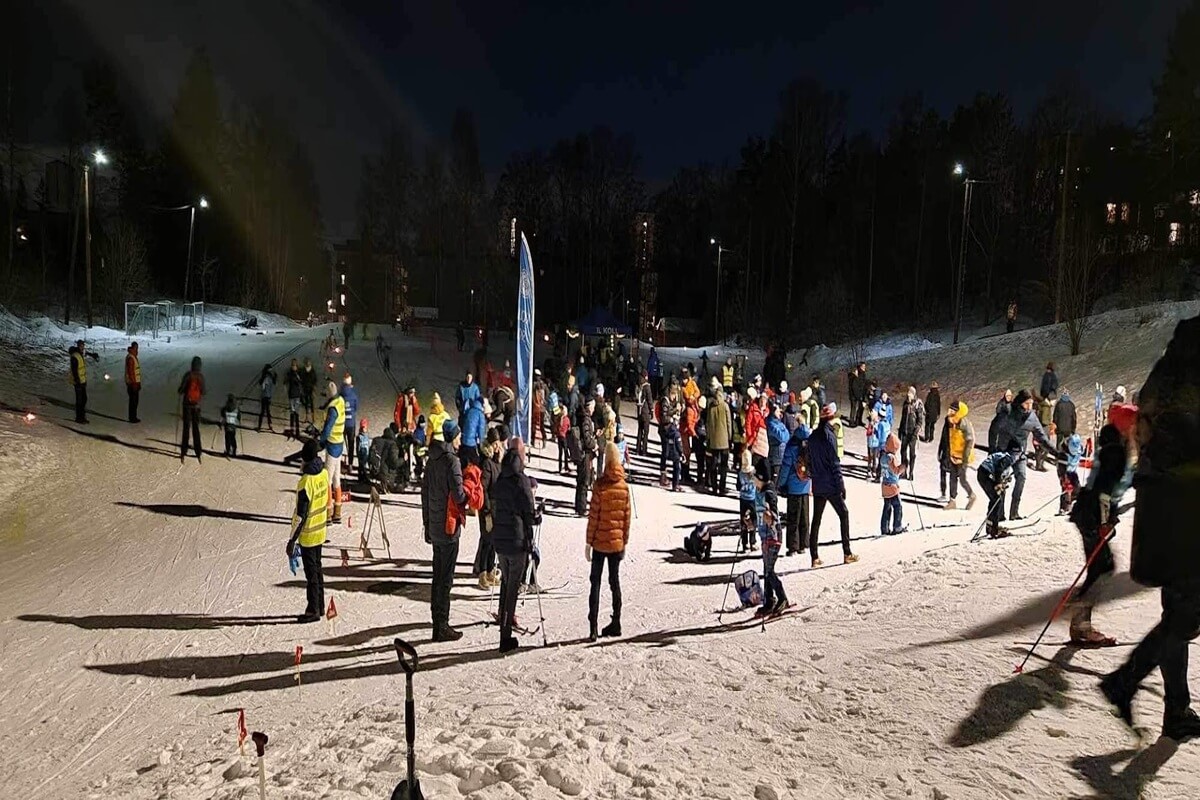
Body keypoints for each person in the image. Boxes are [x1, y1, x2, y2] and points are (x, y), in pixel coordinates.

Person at [1100, 315, 1200, 741]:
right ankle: (1126, 680)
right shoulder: (1191, 384)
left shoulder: (1163, 376)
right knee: (1187, 613)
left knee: (1179, 610)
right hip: (1187, 512)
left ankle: (1175, 710)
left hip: (1164, 512)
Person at [1065, 417, 1134, 645]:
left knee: (1098, 568)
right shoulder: (1116, 454)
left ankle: (1080, 623)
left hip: (1085, 513)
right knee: (1104, 568)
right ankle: (1081, 618)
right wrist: (1105, 522)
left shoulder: (1106, 453)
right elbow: (1105, 491)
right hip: (1093, 516)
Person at [422, 418, 471, 642]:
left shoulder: (432, 460)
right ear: (454, 436)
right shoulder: (452, 461)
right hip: (448, 525)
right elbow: (459, 495)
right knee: (446, 578)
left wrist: (427, 524)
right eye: (459, 435)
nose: (461, 439)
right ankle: (442, 625)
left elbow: (424, 494)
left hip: (435, 524)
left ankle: (437, 623)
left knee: (437, 575)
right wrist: (469, 495)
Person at [491, 438, 537, 652]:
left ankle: (504, 624)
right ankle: (505, 634)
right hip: (517, 541)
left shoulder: (501, 479)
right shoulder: (521, 481)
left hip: (501, 540)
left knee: (506, 583)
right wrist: (536, 518)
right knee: (512, 589)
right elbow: (528, 511)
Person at [586, 442, 631, 641]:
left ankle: (593, 627)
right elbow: (626, 519)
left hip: (599, 543)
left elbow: (593, 517)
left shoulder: (600, 485)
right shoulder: (624, 487)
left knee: (595, 582)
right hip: (616, 543)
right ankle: (617, 621)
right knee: (615, 582)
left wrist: (588, 542)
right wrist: (624, 541)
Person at [286, 439, 330, 623]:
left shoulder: (305, 483)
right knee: (317, 571)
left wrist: (291, 540)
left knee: (311, 573)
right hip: (321, 530)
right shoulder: (324, 474)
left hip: (309, 534)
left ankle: (313, 610)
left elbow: (301, 515)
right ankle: (320, 606)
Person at [809, 404, 858, 567]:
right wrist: (841, 485)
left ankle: (814, 556)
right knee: (844, 514)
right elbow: (835, 464)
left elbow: (809, 460)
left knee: (816, 520)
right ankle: (847, 552)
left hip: (817, 483)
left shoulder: (813, 437)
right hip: (830, 484)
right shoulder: (830, 437)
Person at [994, 389, 1054, 520]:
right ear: (1020, 403)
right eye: (1027, 403)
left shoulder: (1032, 417)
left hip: (1020, 454)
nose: (1029, 407)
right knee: (1002, 481)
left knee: (1021, 478)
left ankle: (1014, 513)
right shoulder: (1009, 412)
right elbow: (996, 428)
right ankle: (1000, 514)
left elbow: (1042, 438)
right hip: (1005, 452)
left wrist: (1055, 452)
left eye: (1031, 404)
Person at [474, 429, 503, 589]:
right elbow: (483, 488)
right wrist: (487, 512)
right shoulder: (486, 462)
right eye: (495, 443)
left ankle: (491, 570)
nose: (498, 446)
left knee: (493, 541)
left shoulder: (497, 460)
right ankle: (482, 573)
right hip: (488, 509)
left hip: (497, 506)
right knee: (486, 540)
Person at [777, 423, 812, 557]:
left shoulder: (791, 447)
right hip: (805, 485)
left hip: (793, 487)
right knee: (804, 517)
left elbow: (785, 468)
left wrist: (781, 484)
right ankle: (803, 544)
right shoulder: (809, 447)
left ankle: (793, 547)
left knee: (793, 518)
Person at [755, 503, 790, 617]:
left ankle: (782, 598)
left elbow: (773, 515)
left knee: (769, 571)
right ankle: (769, 601)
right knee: (766, 572)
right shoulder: (758, 493)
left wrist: (769, 516)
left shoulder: (768, 491)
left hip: (773, 540)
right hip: (765, 541)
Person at [319, 380, 347, 523]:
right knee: (337, 479)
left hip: (332, 445)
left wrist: (320, 442)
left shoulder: (332, 409)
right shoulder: (340, 401)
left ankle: (328, 513)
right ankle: (338, 511)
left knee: (327, 480)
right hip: (340, 443)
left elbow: (327, 428)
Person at [943, 401, 977, 510]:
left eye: (953, 411)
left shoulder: (964, 424)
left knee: (962, 479)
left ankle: (971, 495)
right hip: (954, 455)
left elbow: (969, 442)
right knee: (952, 478)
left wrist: (965, 460)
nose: (950, 412)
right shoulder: (951, 422)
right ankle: (952, 501)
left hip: (963, 457)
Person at [976, 450, 1016, 538]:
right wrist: (998, 483)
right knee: (997, 500)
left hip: (983, 473)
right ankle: (994, 529)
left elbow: (999, 470)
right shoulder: (1009, 457)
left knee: (995, 499)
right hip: (985, 474)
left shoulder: (1003, 455)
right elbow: (999, 469)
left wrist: (1002, 481)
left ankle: (991, 525)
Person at [178, 356, 205, 462]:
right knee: (196, 428)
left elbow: (181, 389)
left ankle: (184, 450)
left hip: (186, 405)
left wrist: (181, 390)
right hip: (196, 406)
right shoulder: (200, 377)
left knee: (186, 428)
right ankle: (198, 451)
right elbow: (203, 391)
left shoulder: (188, 375)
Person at [706, 386, 732, 494]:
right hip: (724, 440)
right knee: (723, 466)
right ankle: (722, 487)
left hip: (713, 441)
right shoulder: (725, 406)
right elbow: (728, 423)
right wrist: (729, 437)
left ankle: (714, 486)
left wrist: (709, 438)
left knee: (713, 464)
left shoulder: (711, 407)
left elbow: (708, 423)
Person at [575, 399, 598, 516]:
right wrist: (594, 444)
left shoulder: (583, 417)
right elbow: (587, 438)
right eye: (593, 406)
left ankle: (579, 506)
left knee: (581, 479)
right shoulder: (586, 419)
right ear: (589, 406)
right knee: (584, 480)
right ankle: (582, 508)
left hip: (582, 453)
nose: (594, 409)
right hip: (585, 453)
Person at [880, 432, 905, 535]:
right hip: (892, 486)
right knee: (898, 506)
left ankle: (884, 528)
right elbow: (895, 470)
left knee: (887, 507)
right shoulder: (891, 458)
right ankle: (897, 526)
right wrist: (903, 468)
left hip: (885, 485)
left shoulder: (883, 457)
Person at [898, 386, 924, 480]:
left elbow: (920, 421)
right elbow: (903, 418)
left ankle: (911, 473)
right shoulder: (905, 404)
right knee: (903, 452)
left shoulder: (917, 405)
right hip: (905, 432)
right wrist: (900, 430)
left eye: (910, 393)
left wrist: (915, 431)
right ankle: (903, 472)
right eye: (908, 393)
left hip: (912, 434)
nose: (909, 395)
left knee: (912, 454)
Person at [1056, 429, 1085, 515]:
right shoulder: (1063, 454)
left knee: (1077, 487)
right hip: (1064, 472)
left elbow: (1083, 453)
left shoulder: (1079, 448)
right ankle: (1063, 508)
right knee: (1066, 489)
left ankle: (1075, 505)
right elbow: (1061, 469)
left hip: (1072, 471)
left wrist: (1088, 448)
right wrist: (1065, 481)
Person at [68, 339, 92, 424]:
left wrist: (92, 355)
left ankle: (82, 416)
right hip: (78, 382)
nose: (83, 347)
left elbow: (86, 353)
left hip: (82, 381)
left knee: (84, 399)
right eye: (81, 346)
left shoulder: (80, 354)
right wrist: (77, 380)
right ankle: (79, 417)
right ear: (78, 346)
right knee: (80, 400)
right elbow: (74, 370)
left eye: (83, 346)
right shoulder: (75, 356)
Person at [461, 397, 487, 470]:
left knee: (464, 461)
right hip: (472, 442)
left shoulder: (469, 411)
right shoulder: (480, 414)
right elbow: (481, 430)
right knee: (475, 462)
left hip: (464, 440)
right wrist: (482, 444)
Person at [340, 374, 360, 471]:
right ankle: (351, 463)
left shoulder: (340, 395)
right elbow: (356, 408)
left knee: (340, 442)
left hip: (341, 422)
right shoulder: (353, 395)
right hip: (351, 423)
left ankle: (339, 461)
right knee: (351, 444)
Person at [663, 412, 683, 493]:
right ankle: (676, 484)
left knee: (675, 468)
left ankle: (675, 484)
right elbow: (679, 445)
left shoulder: (669, 431)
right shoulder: (677, 434)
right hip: (676, 453)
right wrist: (682, 453)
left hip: (671, 451)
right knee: (677, 469)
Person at [636, 372, 653, 457]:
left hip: (639, 410)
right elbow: (649, 400)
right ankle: (644, 450)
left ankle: (637, 449)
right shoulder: (647, 387)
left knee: (639, 431)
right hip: (645, 411)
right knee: (645, 432)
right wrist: (652, 410)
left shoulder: (639, 385)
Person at [285, 359, 304, 437]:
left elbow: (301, 382)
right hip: (291, 395)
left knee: (296, 414)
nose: (294, 367)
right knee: (292, 414)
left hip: (297, 396)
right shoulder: (289, 374)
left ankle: (297, 431)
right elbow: (286, 381)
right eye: (293, 365)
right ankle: (292, 430)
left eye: (295, 365)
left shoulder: (298, 373)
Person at [124, 342, 141, 423]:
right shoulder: (131, 358)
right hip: (132, 384)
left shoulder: (133, 356)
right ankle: (132, 418)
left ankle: (134, 417)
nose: (137, 349)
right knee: (133, 401)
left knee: (135, 401)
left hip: (135, 383)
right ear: (133, 348)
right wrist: (134, 383)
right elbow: (131, 372)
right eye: (136, 347)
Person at [256, 363, 277, 432]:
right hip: (265, 396)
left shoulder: (269, 376)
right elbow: (261, 383)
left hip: (268, 396)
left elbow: (274, 381)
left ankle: (268, 425)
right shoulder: (265, 376)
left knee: (267, 412)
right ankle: (261, 426)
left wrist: (275, 376)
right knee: (264, 412)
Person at [300, 357, 317, 423]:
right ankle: (307, 418)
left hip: (311, 389)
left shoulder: (312, 371)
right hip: (305, 389)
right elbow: (302, 379)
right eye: (306, 362)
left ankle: (313, 418)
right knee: (306, 404)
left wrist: (314, 388)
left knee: (312, 404)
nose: (307, 363)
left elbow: (315, 380)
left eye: (308, 362)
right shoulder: (303, 370)